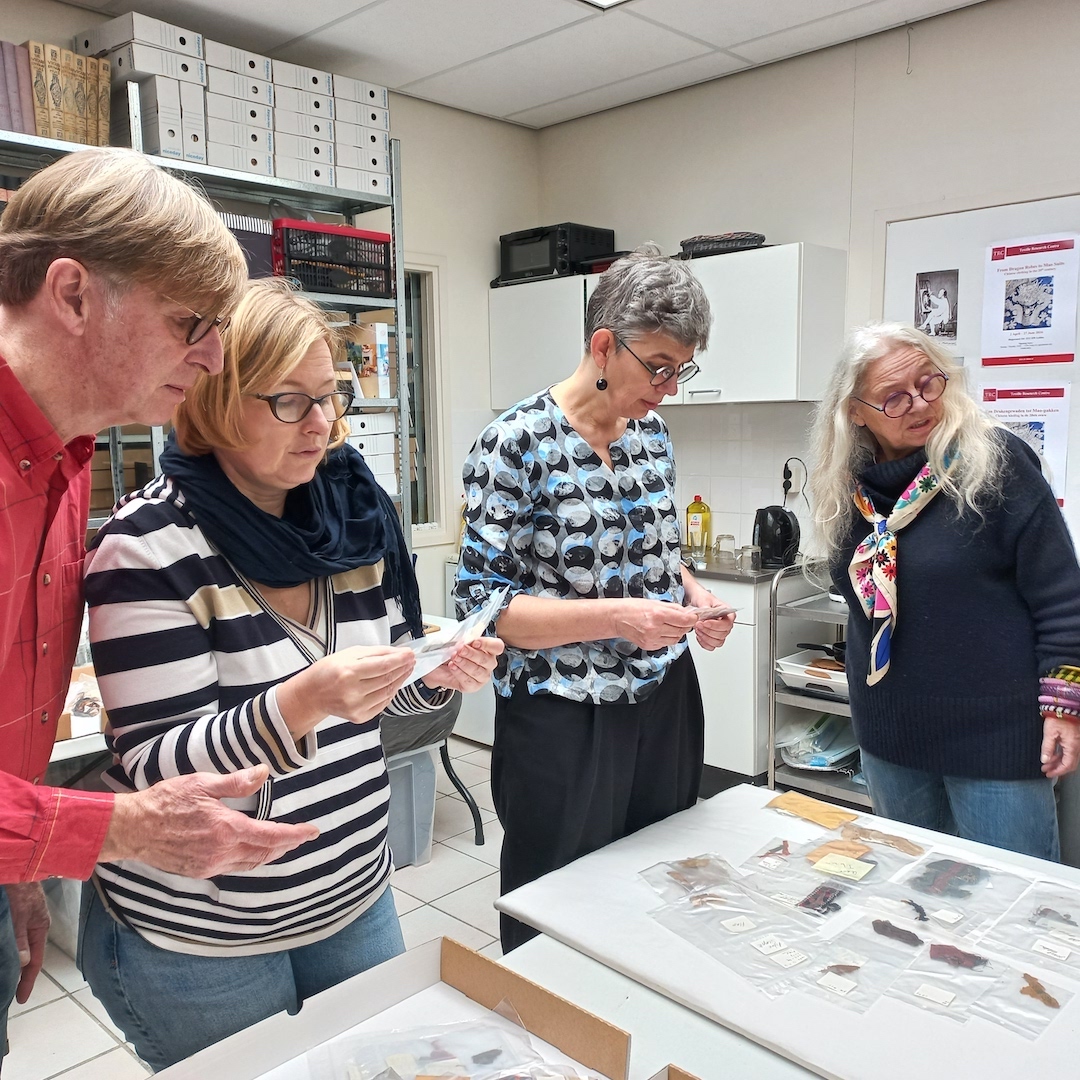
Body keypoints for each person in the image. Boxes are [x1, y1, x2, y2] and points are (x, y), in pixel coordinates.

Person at [79, 278, 503, 1070]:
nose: (322, 426)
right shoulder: (147, 549)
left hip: (353, 895)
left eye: (330, 397)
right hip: (203, 941)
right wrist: (302, 700)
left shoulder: (348, 518)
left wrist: (436, 672)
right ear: (210, 398)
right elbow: (162, 767)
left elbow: (377, 694)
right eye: (290, 402)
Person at [0, 148, 319, 1064]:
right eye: (191, 323)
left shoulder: (65, 463)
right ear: (71, 294)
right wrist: (119, 828)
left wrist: (23, 861)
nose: (214, 356)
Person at [455, 247, 735, 952]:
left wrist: (693, 596)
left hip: (663, 697)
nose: (669, 388)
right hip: (562, 714)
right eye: (661, 366)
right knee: (554, 905)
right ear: (604, 345)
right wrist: (616, 617)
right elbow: (487, 610)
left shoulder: (652, 436)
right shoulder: (513, 445)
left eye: (683, 369)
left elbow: (660, 554)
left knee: (656, 884)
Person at [808, 322, 1080, 859]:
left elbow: (1060, 596)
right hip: (891, 735)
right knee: (915, 905)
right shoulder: (848, 491)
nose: (918, 403)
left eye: (929, 383)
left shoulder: (995, 462)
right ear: (855, 411)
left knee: (1011, 913)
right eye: (894, 397)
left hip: (995, 739)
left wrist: (1063, 706)